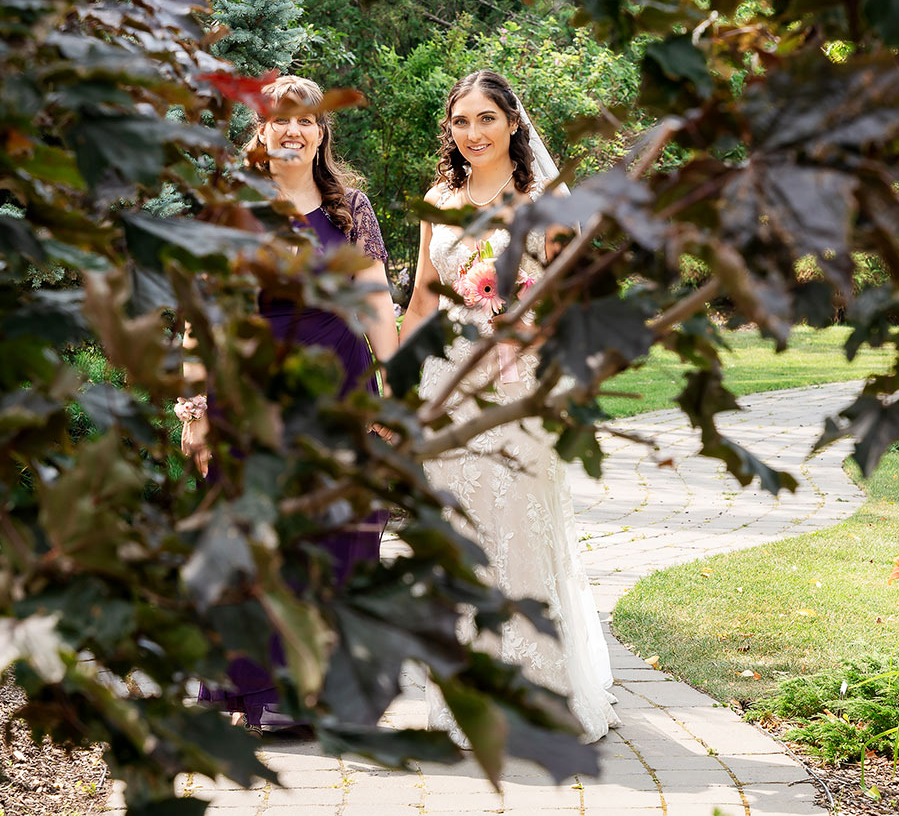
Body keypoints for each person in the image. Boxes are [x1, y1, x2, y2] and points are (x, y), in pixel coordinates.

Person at [399, 70, 619, 743]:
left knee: (522, 531)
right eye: (460, 122)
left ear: (513, 123)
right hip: (448, 382)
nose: (472, 134)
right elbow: (420, 302)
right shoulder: (438, 196)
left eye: (485, 119)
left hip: (519, 384)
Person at [179, 74, 398, 732]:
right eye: (282, 119)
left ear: (322, 132)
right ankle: (266, 694)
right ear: (264, 129)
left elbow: (378, 306)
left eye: (308, 120)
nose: (295, 130)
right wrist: (192, 407)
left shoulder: (350, 209)